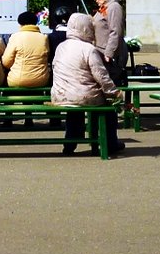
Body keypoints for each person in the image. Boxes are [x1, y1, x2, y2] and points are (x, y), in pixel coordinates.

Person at [51, 12, 123, 155]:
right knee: (105, 110)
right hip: (86, 96)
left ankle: (69, 145)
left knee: (73, 111)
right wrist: (113, 92)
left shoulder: (61, 47)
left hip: (60, 94)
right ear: (87, 29)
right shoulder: (88, 49)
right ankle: (106, 143)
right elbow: (101, 75)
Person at [90, 0, 127, 87]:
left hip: (109, 57)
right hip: (101, 53)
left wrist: (109, 53)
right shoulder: (104, 8)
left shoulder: (114, 7)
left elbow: (116, 31)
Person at [2, 10, 51, 88]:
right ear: (35, 22)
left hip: (17, 80)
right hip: (41, 80)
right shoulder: (44, 38)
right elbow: (47, 58)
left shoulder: (15, 37)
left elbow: (6, 62)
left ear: (20, 24)